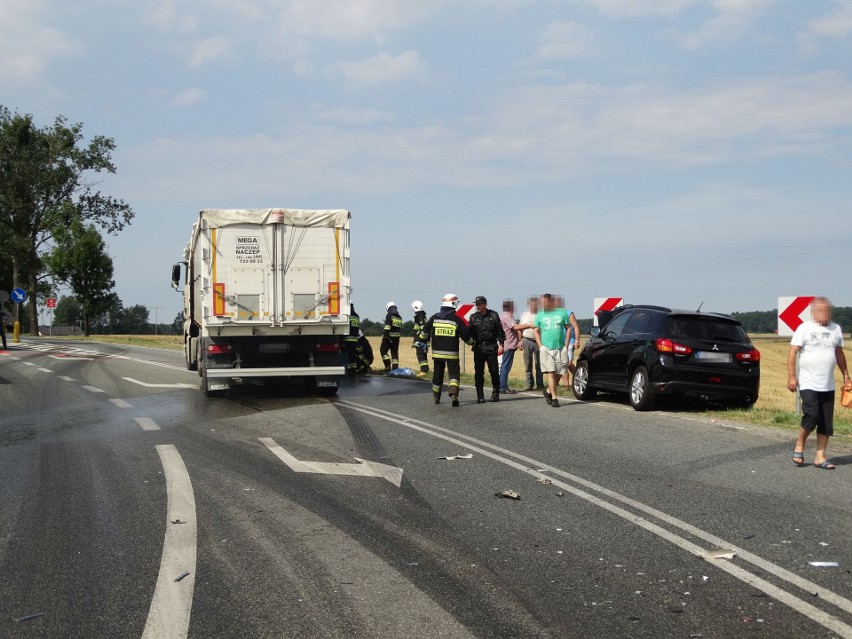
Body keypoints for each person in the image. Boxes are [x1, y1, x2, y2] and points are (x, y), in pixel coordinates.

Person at [787, 297, 850, 469]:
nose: (825, 313)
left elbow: (839, 354)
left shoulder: (836, 328)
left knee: (826, 422)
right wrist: (791, 376)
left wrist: (846, 375)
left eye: (827, 310)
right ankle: (800, 443)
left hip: (828, 384)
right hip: (808, 382)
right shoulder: (804, 328)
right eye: (821, 310)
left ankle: (820, 457)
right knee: (811, 415)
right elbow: (793, 352)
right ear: (813, 312)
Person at [418, 293, 473, 407]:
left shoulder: (434, 317)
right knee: (453, 374)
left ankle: (436, 397)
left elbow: (425, 331)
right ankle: (453, 393)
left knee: (438, 374)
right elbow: (466, 337)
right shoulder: (456, 319)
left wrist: (422, 340)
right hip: (452, 354)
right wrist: (473, 342)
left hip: (437, 354)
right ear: (453, 304)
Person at [534, 293, 580, 408]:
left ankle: (548, 391)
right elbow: (536, 330)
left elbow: (568, 328)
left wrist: (566, 344)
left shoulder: (562, 312)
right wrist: (540, 346)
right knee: (551, 372)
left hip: (560, 347)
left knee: (561, 371)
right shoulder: (540, 315)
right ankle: (554, 398)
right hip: (547, 348)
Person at [468, 295, 506, 403]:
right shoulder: (473, 317)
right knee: (479, 372)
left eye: (480, 304)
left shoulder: (493, 315)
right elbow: (469, 333)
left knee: (494, 371)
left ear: (485, 304)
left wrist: (502, 344)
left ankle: (495, 393)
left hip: (491, 347)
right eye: (477, 304)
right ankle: (480, 396)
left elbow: (500, 331)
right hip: (479, 348)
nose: (478, 306)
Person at [516, 296, 544, 391]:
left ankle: (540, 385)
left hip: (539, 341)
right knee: (528, 363)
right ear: (529, 305)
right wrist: (520, 341)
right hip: (527, 340)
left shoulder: (541, 314)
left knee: (539, 364)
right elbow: (520, 328)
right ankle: (529, 384)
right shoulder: (524, 314)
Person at [498, 299, 520, 395]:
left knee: (506, 365)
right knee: (505, 366)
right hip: (509, 344)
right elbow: (515, 327)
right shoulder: (507, 316)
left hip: (511, 344)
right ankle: (502, 387)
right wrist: (528, 325)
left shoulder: (508, 316)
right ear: (510, 307)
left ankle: (503, 386)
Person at [380, 302, 403, 370]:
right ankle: (395, 368)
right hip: (396, 338)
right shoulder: (399, 316)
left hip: (388, 337)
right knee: (394, 352)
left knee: (383, 351)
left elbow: (387, 327)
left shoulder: (389, 314)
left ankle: (387, 366)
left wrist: (385, 336)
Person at [411, 300, 430, 377]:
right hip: (422, 340)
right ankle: (424, 369)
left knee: (421, 355)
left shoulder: (420, 317)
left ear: (416, 308)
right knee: (422, 355)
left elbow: (423, 329)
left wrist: (419, 340)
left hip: (421, 341)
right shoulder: (421, 316)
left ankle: (424, 370)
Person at [343, 304, 361, 375]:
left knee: (347, 355)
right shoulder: (357, 316)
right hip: (355, 339)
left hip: (347, 339)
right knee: (353, 355)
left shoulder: (348, 316)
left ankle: (348, 369)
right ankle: (353, 369)